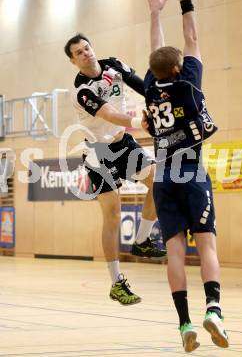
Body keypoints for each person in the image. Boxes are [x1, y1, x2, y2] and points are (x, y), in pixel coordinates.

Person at [143, 0, 229, 351]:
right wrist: (185, 0)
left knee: (174, 251)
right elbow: (191, 39)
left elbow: (157, 51)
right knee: (207, 244)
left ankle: (184, 324)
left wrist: (154, 15)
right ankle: (214, 309)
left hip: (163, 175)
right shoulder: (188, 80)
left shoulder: (151, 84)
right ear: (179, 68)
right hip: (191, 171)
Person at [64, 33, 166, 306]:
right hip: (98, 153)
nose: (86, 53)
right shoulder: (81, 91)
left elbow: (144, 86)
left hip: (124, 144)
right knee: (112, 215)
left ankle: (143, 240)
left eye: (87, 47)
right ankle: (116, 282)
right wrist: (138, 120)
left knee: (160, 182)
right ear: (73, 61)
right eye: (79, 53)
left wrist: (163, 97)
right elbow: (108, 113)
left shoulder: (115, 65)